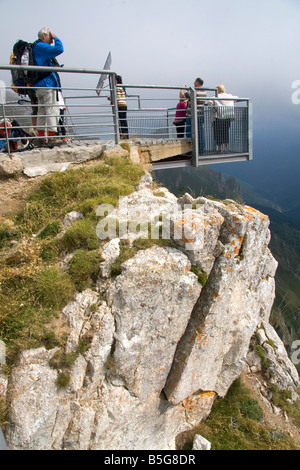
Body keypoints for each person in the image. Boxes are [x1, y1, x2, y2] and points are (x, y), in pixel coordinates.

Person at [32, 27, 64, 145]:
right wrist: (56, 37)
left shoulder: (35, 47)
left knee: (42, 111)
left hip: (38, 86)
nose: (51, 41)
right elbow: (59, 49)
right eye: (50, 38)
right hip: (47, 84)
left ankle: (41, 137)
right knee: (51, 110)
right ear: (44, 36)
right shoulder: (40, 46)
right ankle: (51, 137)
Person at [183, 78, 207, 154]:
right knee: (200, 133)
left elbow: (186, 96)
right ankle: (200, 150)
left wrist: (184, 89)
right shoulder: (204, 92)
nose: (193, 82)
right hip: (200, 114)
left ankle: (190, 151)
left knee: (190, 133)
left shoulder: (195, 91)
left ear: (197, 82)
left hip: (191, 115)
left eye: (195, 81)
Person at [211, 84, 237, 153]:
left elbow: (209, 102)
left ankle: (220, 149)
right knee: (225, 133)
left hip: (218, 117)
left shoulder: (216, 97)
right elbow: (236, 98)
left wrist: (213, 108)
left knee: (218, 133)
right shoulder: (229, 96)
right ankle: (228, 149)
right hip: (227, 117)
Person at [115, 75, 129, 139]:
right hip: (124, 104)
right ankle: (126, 134)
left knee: (120, 120)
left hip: (119, 105)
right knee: (124, 120)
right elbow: (125, 94)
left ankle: (122, 135)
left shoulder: (115, 88)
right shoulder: (123, 87)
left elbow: (114, 97)